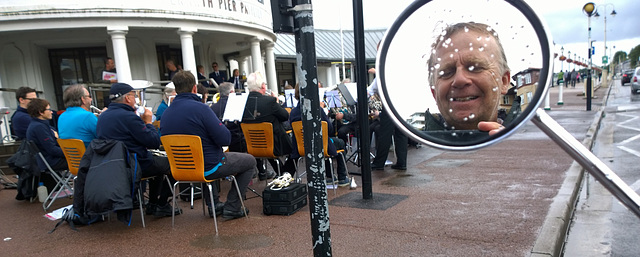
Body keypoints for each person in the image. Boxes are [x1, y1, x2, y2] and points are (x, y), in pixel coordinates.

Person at [162, 70, 254, 219]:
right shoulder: (202, 109)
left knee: (202, 156)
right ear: (194, 88)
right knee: (249, 161)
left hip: (180, 168)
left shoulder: (166, 113)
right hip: (208, 167)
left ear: (177, 89)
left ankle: (214, 205)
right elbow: (225, 139)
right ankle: (232, 206)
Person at [96, 82, 180, 217]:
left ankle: (153, 203)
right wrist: (148, 122)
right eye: (134, 95)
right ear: (127, 98)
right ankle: (162, 204)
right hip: (135, 164)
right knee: (175, 164)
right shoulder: (129, 117)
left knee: (157, 164)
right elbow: (153, 142)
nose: (135, 99)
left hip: (113, 165)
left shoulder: (102, 117)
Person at [426, 22, 513, 136]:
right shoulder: (415, 148)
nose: (460, 79)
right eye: (447, 72)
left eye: (475, 67)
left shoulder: (535, 139)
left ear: (504, 81)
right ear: (434, 93)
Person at [289, 83, 350, 186]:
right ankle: (342, 178)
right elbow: (329, 130)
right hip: (320, 146)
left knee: (325, 141)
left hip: (301, 147)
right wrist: (323, 111)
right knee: (339, 142)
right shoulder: (317, 109)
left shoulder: (293, 112)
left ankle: (330, 176)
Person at [242, 71, 293, 180]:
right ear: (263, 86)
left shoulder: (242, 102)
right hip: (275, 144)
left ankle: (281, 174)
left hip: (253, 146)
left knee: (267, 143)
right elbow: (284, 116)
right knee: (295, 149)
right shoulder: (270, 101)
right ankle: (285, 174)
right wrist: (277, 101)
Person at [368, 67, 408, 171]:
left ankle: (379, 163)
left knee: (384, 133)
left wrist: (377, 73)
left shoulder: (384, 71)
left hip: (390, 104)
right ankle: (402, 162)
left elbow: (371, 89)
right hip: (402, 103)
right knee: (401, 133)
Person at [26, 99, 67, 171]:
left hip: (48, 160)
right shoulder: (39, 127)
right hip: (52, 161)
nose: (51, 112)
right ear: (41, 112)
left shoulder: (38, 125)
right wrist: (71, 153)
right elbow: (52, 149)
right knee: (87, 161)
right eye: (49, 109)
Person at [211, 82, 246, 153]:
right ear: (232, 92)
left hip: (220, 143)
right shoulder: (237, 105)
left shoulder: (212, 108)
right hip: (236, 143)